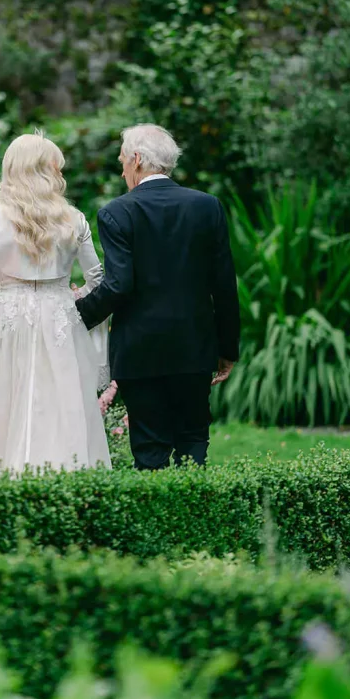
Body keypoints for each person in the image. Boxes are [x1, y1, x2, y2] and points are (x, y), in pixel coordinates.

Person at [76, 124, 240, 471]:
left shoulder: (116, 213)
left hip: (140, 351)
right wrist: (227, 348)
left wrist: (76, 314)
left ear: (136, 159)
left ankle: (158, 522)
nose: (122, 171)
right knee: (193, 444)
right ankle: (196, 520)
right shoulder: (207, 206)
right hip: (195, 349)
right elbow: (224, 284)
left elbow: (118, 284)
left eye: (122, 161)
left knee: (149, 453)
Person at [0, 133, 111, 472]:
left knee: (6, 400)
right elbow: (97, 279)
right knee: (62, 399)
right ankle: (66, 472)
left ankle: (3, 474)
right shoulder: (74, 219)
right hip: (60, 317)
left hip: (9, 319)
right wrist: (75, 306)